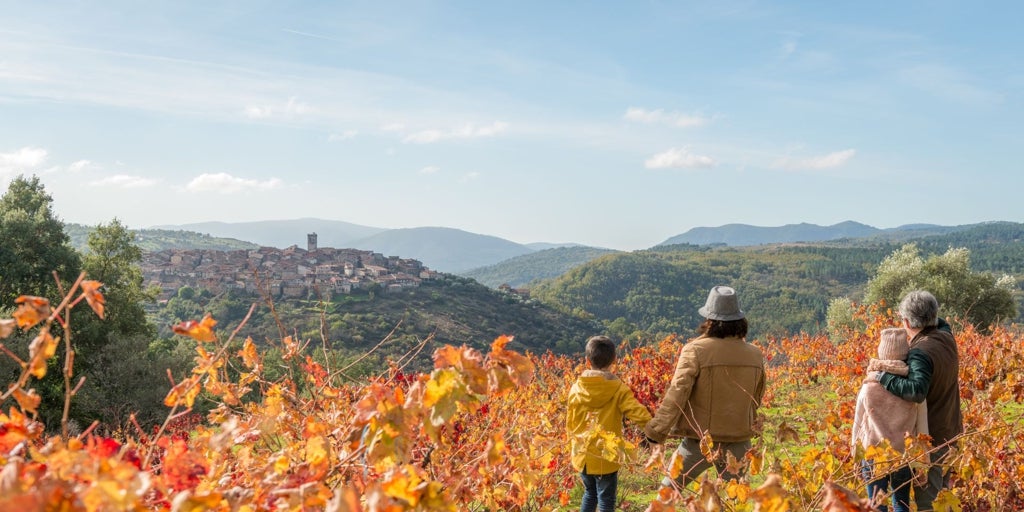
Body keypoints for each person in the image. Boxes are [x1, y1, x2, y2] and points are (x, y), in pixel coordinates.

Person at [644, 285, 766, 490]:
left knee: (667, 493)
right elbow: (757, 397)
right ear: (739, 320)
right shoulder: (755, 354)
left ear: (709, 320)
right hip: (739, 440)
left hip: (699, 442)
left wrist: (656, 431)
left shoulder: (695, 350)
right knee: (736, 501)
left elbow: (677, 393)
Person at [873, 290, 963, 511]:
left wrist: (883, 377)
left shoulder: (920, 352)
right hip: (951, 429)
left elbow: (916, 390)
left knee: (928, 502)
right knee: (944, 497)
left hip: (933, 437)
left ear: (905, 321)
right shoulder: (946, 335)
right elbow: (939, 321)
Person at [567, 335, 653, 512]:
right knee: (606, 499)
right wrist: (655, 428)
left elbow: (571, 422)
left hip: (583, 454)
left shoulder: (576, 388)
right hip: (607, 454)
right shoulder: (618, 388)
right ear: (614, 360)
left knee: (589, 494)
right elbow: (637, 413)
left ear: (586, 360)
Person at [852, 327, 928, 512]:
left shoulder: (868, 387)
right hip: (903, 456)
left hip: (872, 456)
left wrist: (855, 456)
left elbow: (857, 425)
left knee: (877, 505)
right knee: (901, 503)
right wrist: (923, 463)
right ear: (905, 355)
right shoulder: (914, 391)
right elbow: (923, 429)